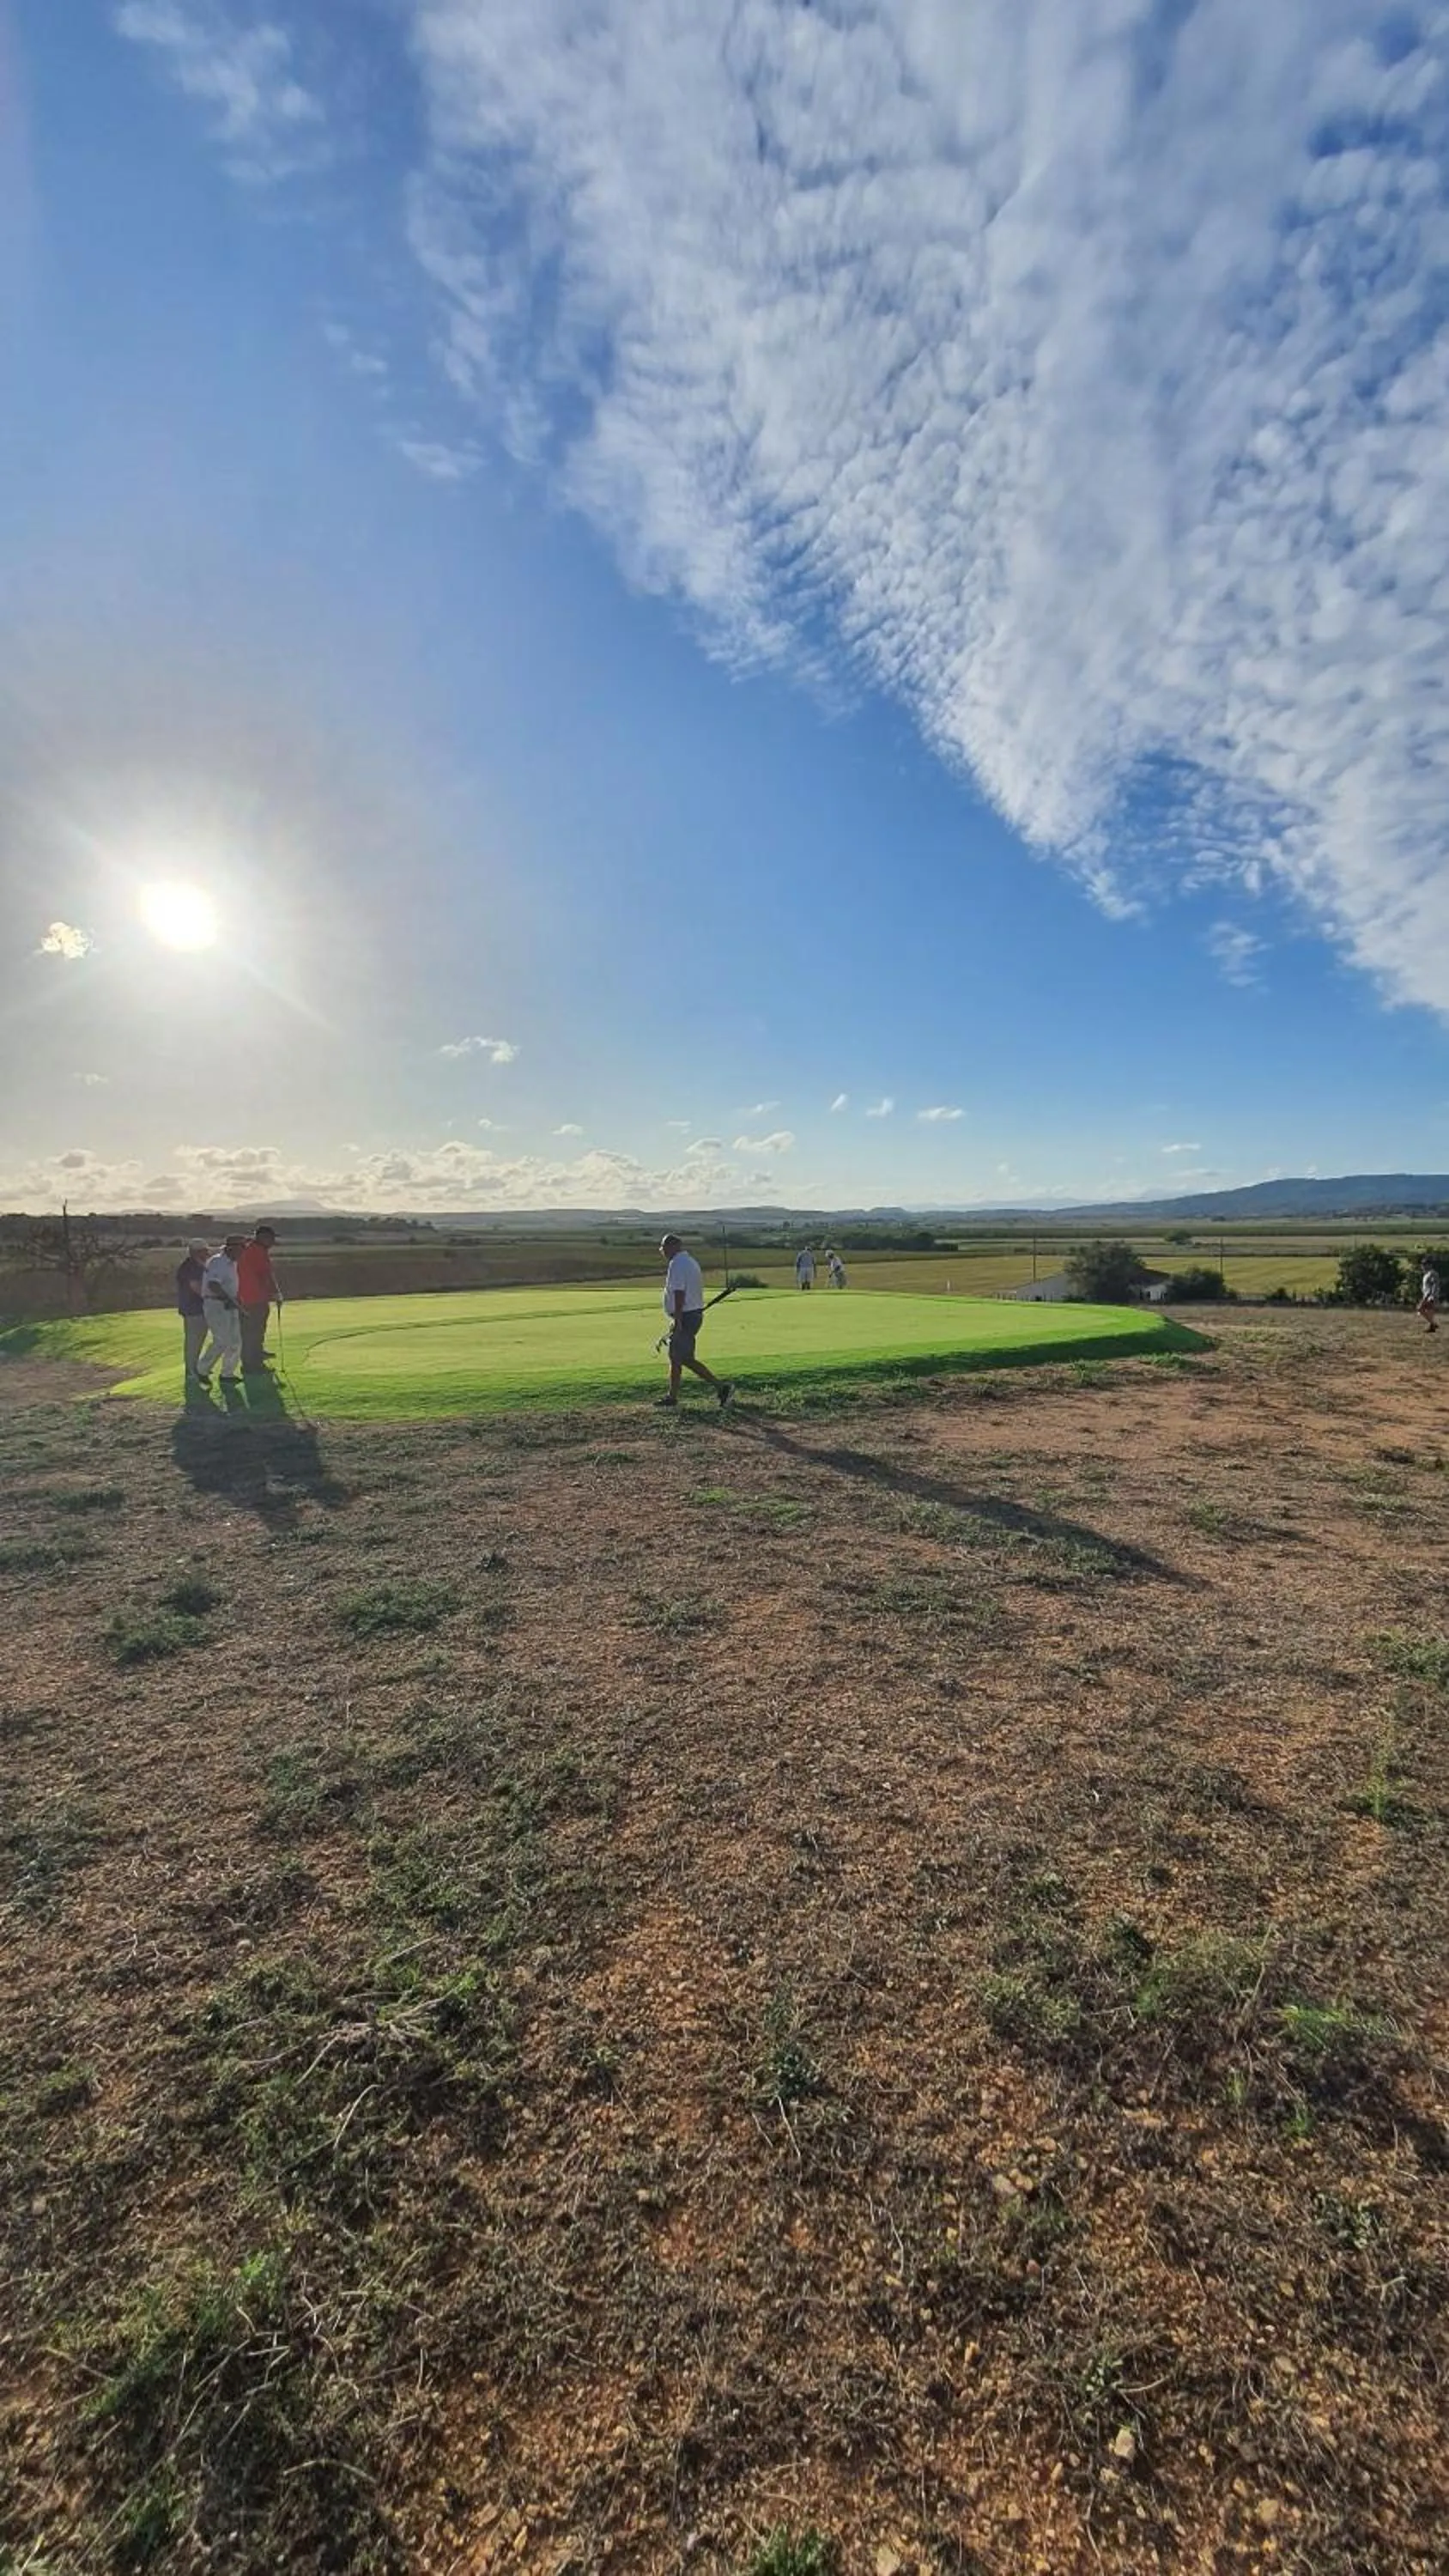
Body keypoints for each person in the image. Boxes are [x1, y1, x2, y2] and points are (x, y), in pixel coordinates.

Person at [658, 1233, 733, 1410]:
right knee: (677, 1357)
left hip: (685, 1316)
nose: (662, 1251)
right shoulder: (690, 1262)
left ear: (672, 1247)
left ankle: (721, 1387)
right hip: (691, 1315)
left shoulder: (677, 1264)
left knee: (683, 1357)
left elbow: (679, 1293)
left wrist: (677, 1320)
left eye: (663, 1248)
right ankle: (672, 1397)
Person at [197, 1235, 246, 1385]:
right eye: (242, 1248)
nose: (243, 1251)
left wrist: (236, 1300)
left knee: (235, 1341)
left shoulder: (233, 1263)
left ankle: (227, 1374)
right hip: (216, 1304)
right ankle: (201, 1370)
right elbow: (214, 1285)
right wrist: (229, 1300)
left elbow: (229, 1285)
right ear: (232, 1248)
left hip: (229, 1304)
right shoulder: (218, 1262)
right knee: (221, 1340)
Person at [237, 1224, 282, 1375]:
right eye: (271, 1238)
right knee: (252, 1333)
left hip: (250, 1297)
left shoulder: (252, 1249)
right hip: (253, 1298)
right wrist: (275, 1293)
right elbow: (265, 1274)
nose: (273, 1242)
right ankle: (252, 1365)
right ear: (262, 1237)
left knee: (255, 1331)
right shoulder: (257, 1251)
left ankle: (256, 1356)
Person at [175, 1237, 210, 1377]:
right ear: (197, 1252)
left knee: (199, 1339)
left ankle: (196, 1367)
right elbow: (196, 1287)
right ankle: (191, 1370)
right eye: (205, 1251)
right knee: (193, 1341)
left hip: (198, 1308)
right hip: (193, 1308)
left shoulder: (199, 1265)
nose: (208, 1253)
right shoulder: (190, 1267)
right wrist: (211, 1297)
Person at [1418, 1255, 1440, 1334]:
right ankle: (1432, 1326)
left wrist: (1432, 1296)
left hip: (1430, 1296)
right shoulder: (1426, 1274)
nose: (1423, 1266)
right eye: (1423, 1264)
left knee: (1420, 1309)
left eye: (1425, 1264)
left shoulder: (1432, 1273)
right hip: (1428, 1296)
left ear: (1430, 1265)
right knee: (1427, 1311)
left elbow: (1434, 1285)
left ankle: (1433, 1324)